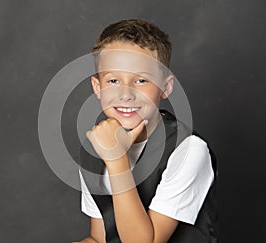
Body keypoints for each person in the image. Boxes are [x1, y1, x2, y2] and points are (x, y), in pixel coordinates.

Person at [73, 19, 218, 243]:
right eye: (113, 80)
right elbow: (100, 238)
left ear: (166, 87)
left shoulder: (189, 150)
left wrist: (116, 159)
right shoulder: (95, 147)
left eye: (141, 80)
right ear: (97, 87)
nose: (126, 94)